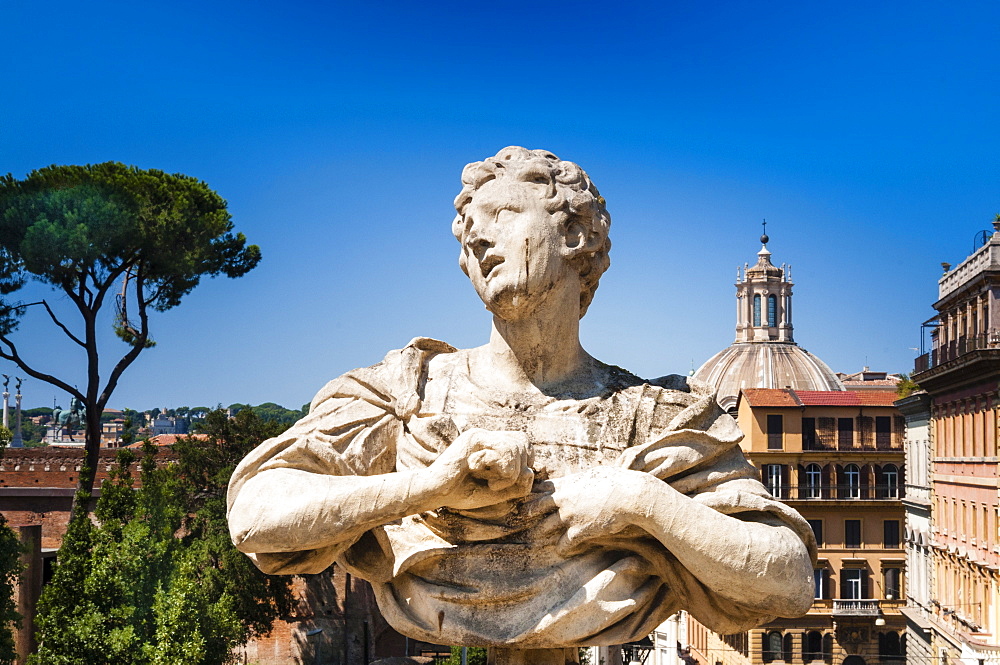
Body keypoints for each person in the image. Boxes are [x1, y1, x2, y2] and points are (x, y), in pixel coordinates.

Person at [227, 147, 815, 648]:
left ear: (576, 234)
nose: (477, 238)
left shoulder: (656, 418)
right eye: (467, 231)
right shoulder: (407, 391)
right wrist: (429, 487)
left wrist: (641, 501)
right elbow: (254, 515)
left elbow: (787, 578)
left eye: (502, 214)